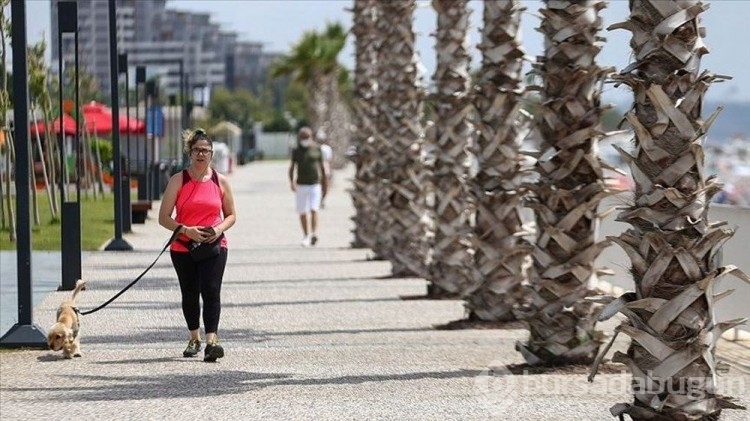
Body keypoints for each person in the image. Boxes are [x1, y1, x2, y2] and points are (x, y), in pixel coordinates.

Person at [159, 128, 237, 362]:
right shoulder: (178, 180)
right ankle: (194, 337)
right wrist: (186, 230)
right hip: (183, 247)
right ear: (189, 153)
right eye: (197, 150)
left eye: (205, 150)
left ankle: (212, 340)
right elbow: (164, 217)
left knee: (212, 291)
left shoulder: (220, 181)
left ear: (212, 154)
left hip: (214, 245)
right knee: (190, 293)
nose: (201, 154)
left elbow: (231, 215)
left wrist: (218, 229)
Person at [289, 126, 327, 247]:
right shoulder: (297, 150)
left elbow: (322, 167)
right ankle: (306, 234)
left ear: (311, 137)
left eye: (307, 137)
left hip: (315, 184)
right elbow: (292, 167)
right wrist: (291, 181)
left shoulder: (317, 149)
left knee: (314, 209)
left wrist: (325, 183)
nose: (305, 139)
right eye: (303, 137)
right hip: (301, 185)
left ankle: (313, 233)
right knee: (302, 211)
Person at [317, 133, 333, 208]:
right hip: (324, 167)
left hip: (321, 167)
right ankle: (322, 200)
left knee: (320, 185)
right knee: (325, 185)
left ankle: (320, 200)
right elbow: (329, 160)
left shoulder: (317, 148)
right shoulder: (327, 148)